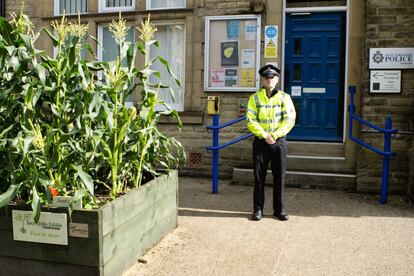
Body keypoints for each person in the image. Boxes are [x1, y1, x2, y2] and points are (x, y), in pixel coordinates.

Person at [246, 64, 296, 221]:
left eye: (272, 77)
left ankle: (279, 209)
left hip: (278, 142)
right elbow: (250, 120)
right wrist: (264, 135)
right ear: (262, 79)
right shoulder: (254, 98)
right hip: (261, 143)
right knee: (259, 177)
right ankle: (258, 209)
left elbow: (289, 120)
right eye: (266, 77)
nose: (269, 80)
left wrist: (275, 135)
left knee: (279, 177)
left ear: (277, 79)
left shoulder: (284, 98)